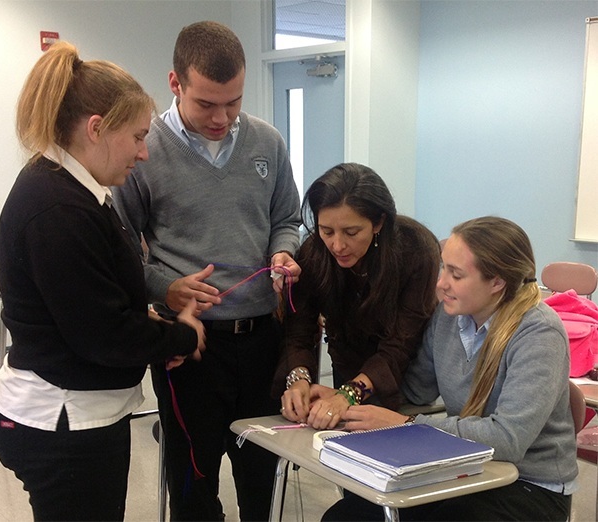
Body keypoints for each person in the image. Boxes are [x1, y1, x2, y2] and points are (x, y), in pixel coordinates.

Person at [0, 42, 205, 522]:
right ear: (97, 128)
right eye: (138, 137)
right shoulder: (59, 208)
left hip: (73, 414)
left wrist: (143, 313)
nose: (145, 153)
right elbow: (102, 335)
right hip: (63, 424)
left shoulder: (74, 187)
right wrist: (181, 333)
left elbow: (90, 299)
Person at [111, 21, 302, 521]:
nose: (222, 117)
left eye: (233, 101)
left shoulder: (267, 141)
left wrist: (283, 251)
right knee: (194, 481)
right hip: (189, 346)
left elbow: (287, 218)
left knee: (260, 473)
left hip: (262, 339)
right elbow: (122, 245)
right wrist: (165, 288)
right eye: (206, 104)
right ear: (175, 84)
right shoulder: (142, 148)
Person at [322, 216, 578, 522]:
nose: (441, 284)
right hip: (467, 470)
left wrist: (407, 425)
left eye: (455, 275)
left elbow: (509, 438)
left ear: (497, 282)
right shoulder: (448, 319)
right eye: (444, 268)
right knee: (346, 517)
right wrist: (345, 399)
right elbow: (414, 390)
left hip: (529, 485)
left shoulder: (539, 333)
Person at [274, 163, 441, 430]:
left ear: (378, 222)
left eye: (351, 233)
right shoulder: (314, 253)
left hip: (407, 374)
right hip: (349, 362)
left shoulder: (415, 250)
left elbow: (400, 344)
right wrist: (299, 378)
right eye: (326, 231)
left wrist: (349, 394)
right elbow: (299, 331)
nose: (337, 245)